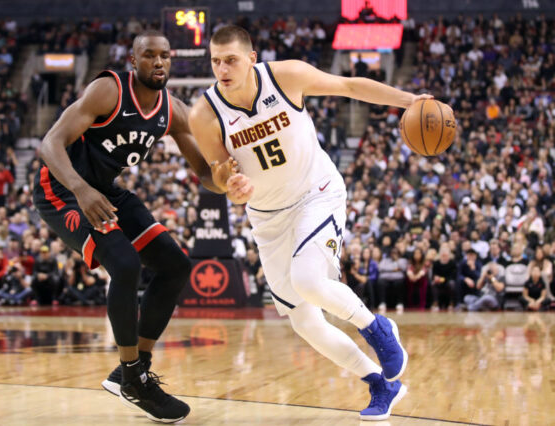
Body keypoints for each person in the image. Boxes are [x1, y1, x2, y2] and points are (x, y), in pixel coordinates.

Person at [189, 25, 432, 421]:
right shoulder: (204, 112)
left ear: (252, 58)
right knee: (303, 321)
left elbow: (350, 85)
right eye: (215, 61)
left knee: (308, 280)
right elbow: (219, 173)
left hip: (316, 194)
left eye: (230, 59)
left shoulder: (286, 77)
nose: (222, 69)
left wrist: (409, 100)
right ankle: (380, 384)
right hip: (267, 216)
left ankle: (378, 328)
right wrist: (230, 185)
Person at [33, 30, 221, 423]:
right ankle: (134, 378)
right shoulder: (109, 90)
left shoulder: (173, 110)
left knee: (175, 265)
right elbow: (49, 144)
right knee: (125, 265)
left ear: (172, 61)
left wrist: (226, 180)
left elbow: (203, 170)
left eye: (165, 56)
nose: (158, 62)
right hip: (62, 190)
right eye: (149, 55)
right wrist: (81, 190)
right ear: (133, 62)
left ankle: (132, 370)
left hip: (104, 190)